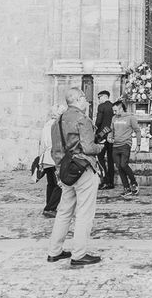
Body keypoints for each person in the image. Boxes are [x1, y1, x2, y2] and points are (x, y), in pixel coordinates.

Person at [47, 87, 103, 266]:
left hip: (65, 170)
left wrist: (59, 170)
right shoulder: (82, 119)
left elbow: (56, 150)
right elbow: (88, 147)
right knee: (85, 212)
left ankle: (54, 251)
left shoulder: (57, 121)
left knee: (64, 211)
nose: (87, 103)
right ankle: (79, 254)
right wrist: (100, 147)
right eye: (85, 100)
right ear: (79, 99)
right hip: (83, 168)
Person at [39, 104, 66, 218]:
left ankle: (49, 205)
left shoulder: (47, 125)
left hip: (46, 157)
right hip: (54, 157)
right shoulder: (56, 125)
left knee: (51, 184)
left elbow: (42, 143)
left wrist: (40, 159)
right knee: (59, 184)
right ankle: (50, 208)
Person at [110, 100, 140, 197]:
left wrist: (138, 144)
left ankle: (134, 183)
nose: (114, 113)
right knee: (119, 167)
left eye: (115, 110)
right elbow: (111, 131)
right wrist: (109, 137)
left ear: (121, 108)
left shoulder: (130, 117)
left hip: (126, 144)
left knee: (124, 164)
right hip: (115, 145)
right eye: (113, 111)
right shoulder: (114, 118)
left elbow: (137, 131)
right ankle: (126, 188)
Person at [95, 91, 115, 190]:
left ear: (104, 97)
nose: (99, 100)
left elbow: (98, 121)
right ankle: (111, 181)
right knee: (111, 159)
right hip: (111, 134)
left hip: (102, 135)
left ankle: (104, 180)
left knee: (100, 158)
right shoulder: (113, 106)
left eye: (99, 97)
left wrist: (95, 131)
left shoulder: (101, 106)